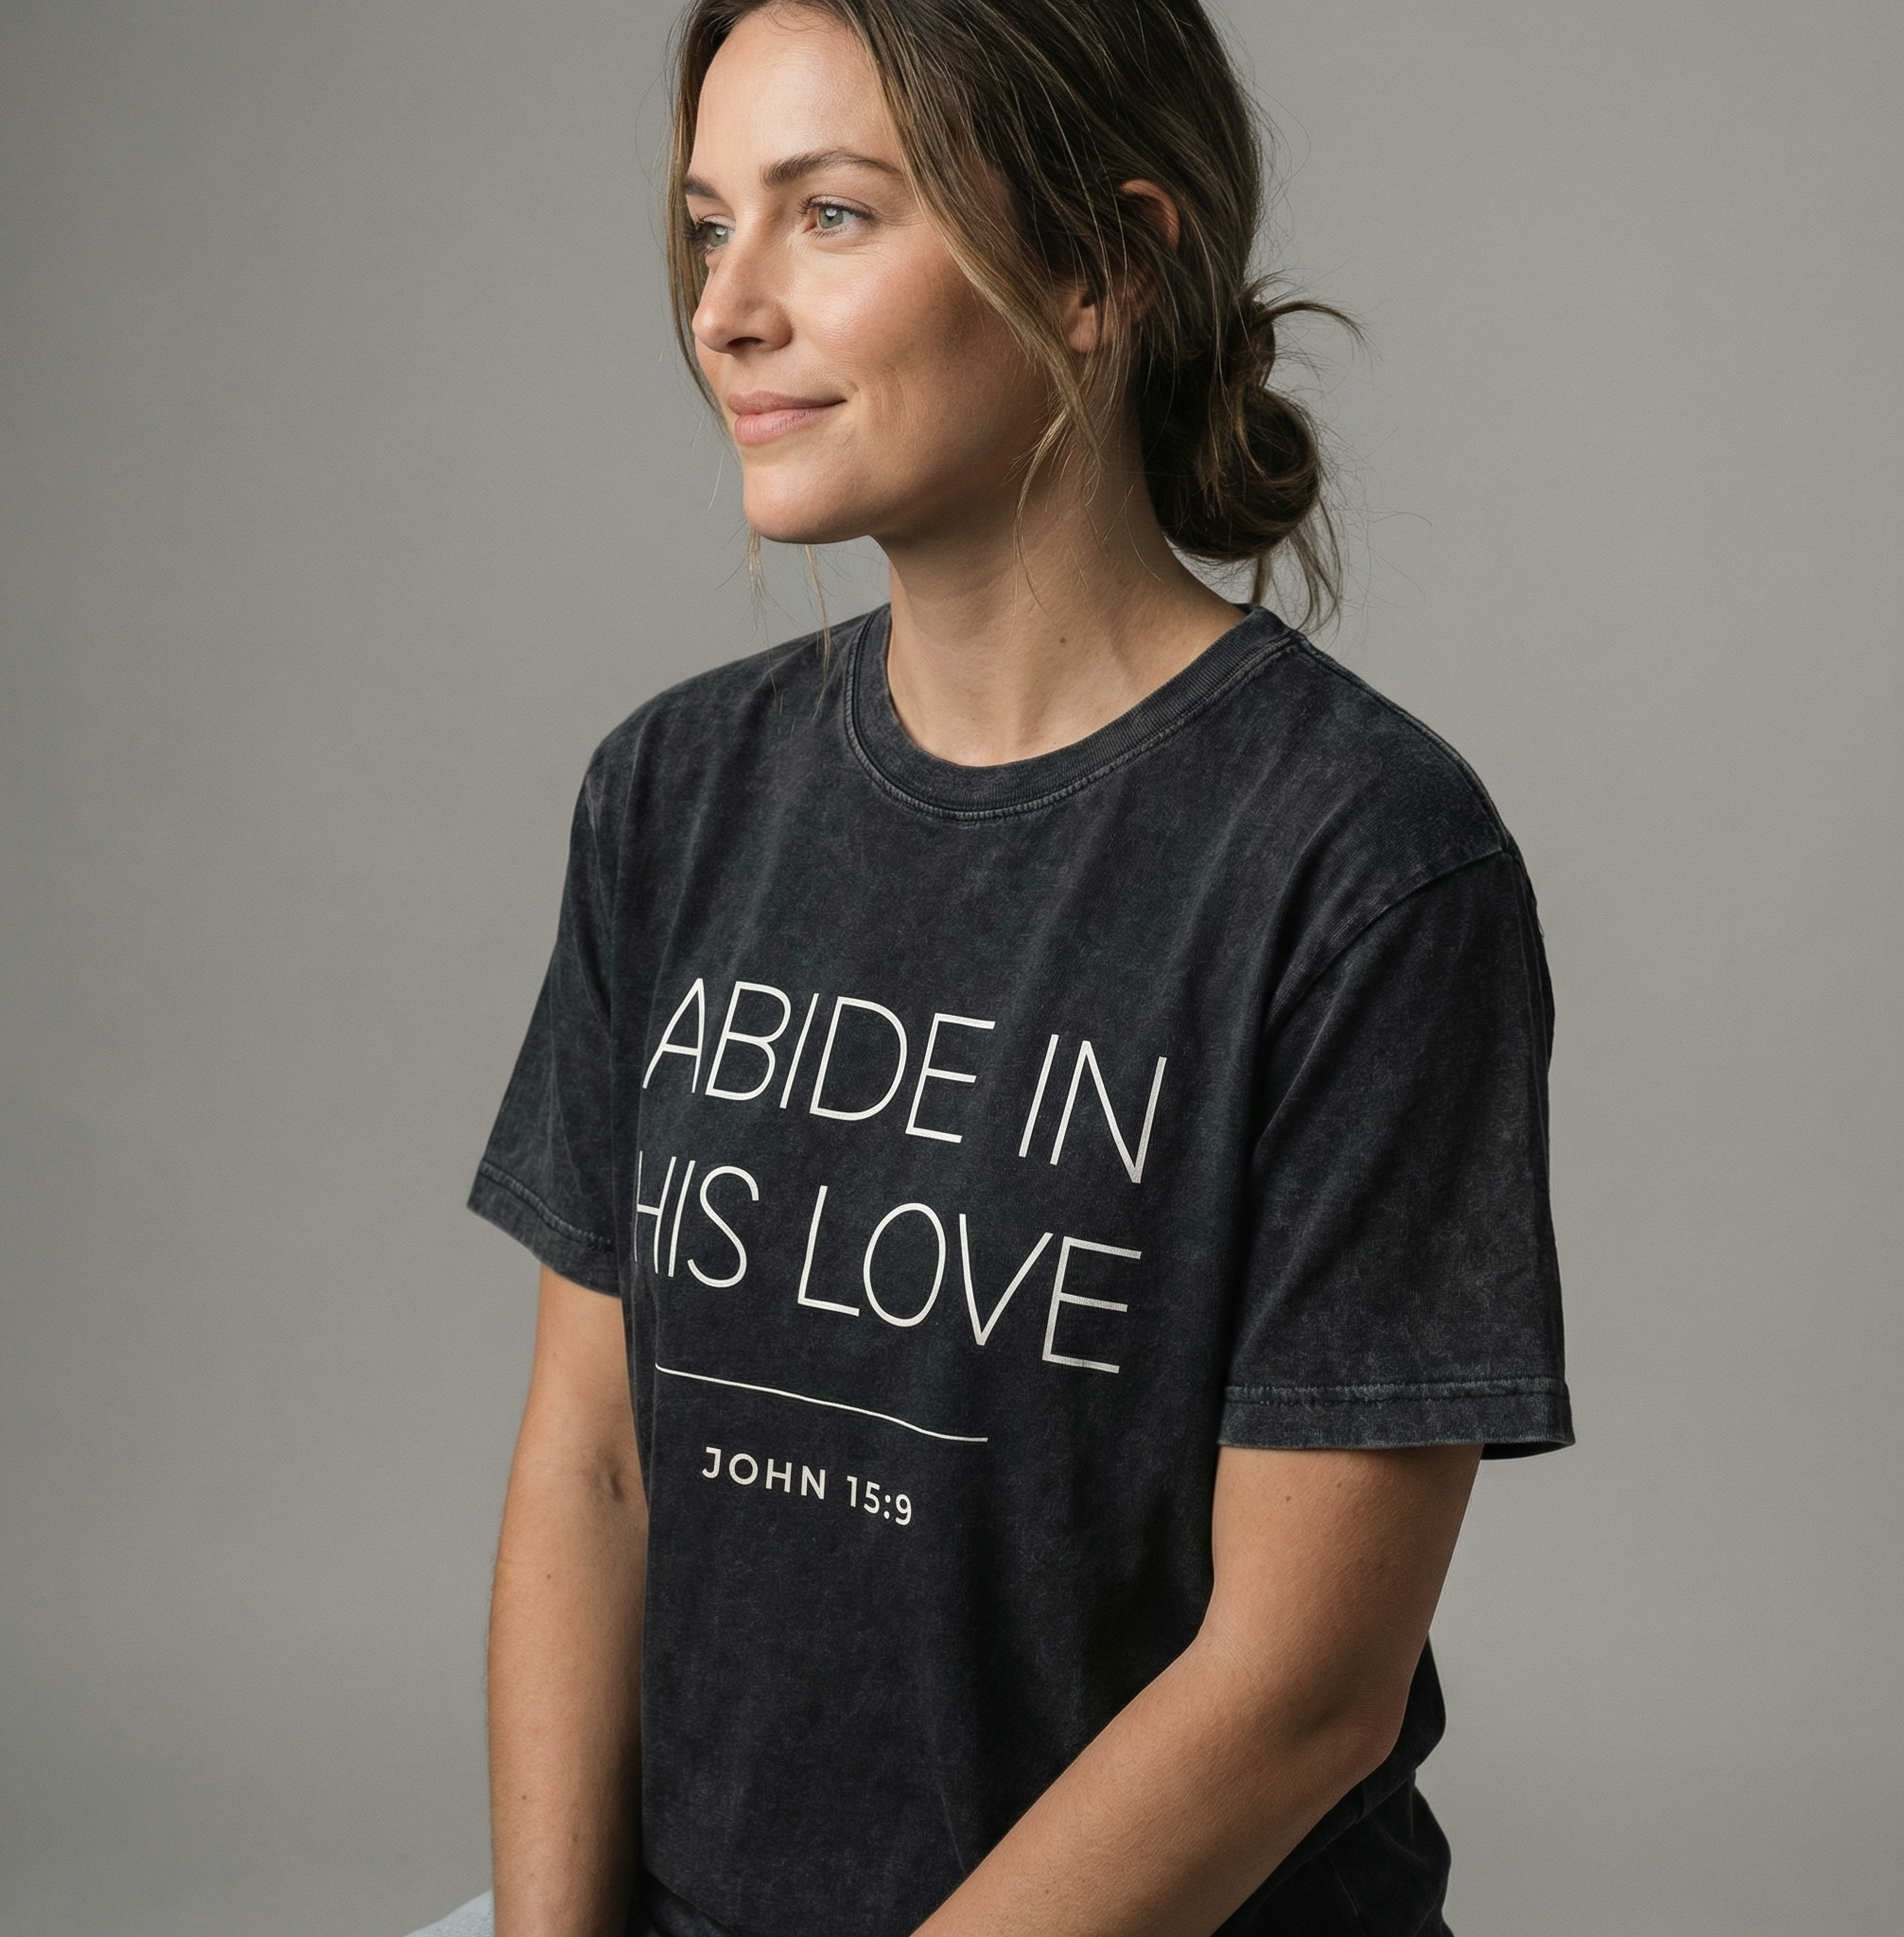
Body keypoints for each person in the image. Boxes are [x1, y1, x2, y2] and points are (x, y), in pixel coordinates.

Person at [410, 2, 1570, 1933]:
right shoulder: (672, 794)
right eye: (709, 225)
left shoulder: (1362, 863)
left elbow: (1300, 1692)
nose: (725, 308)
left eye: (831, 215)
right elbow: (595, 1466)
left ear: (1104, 262)